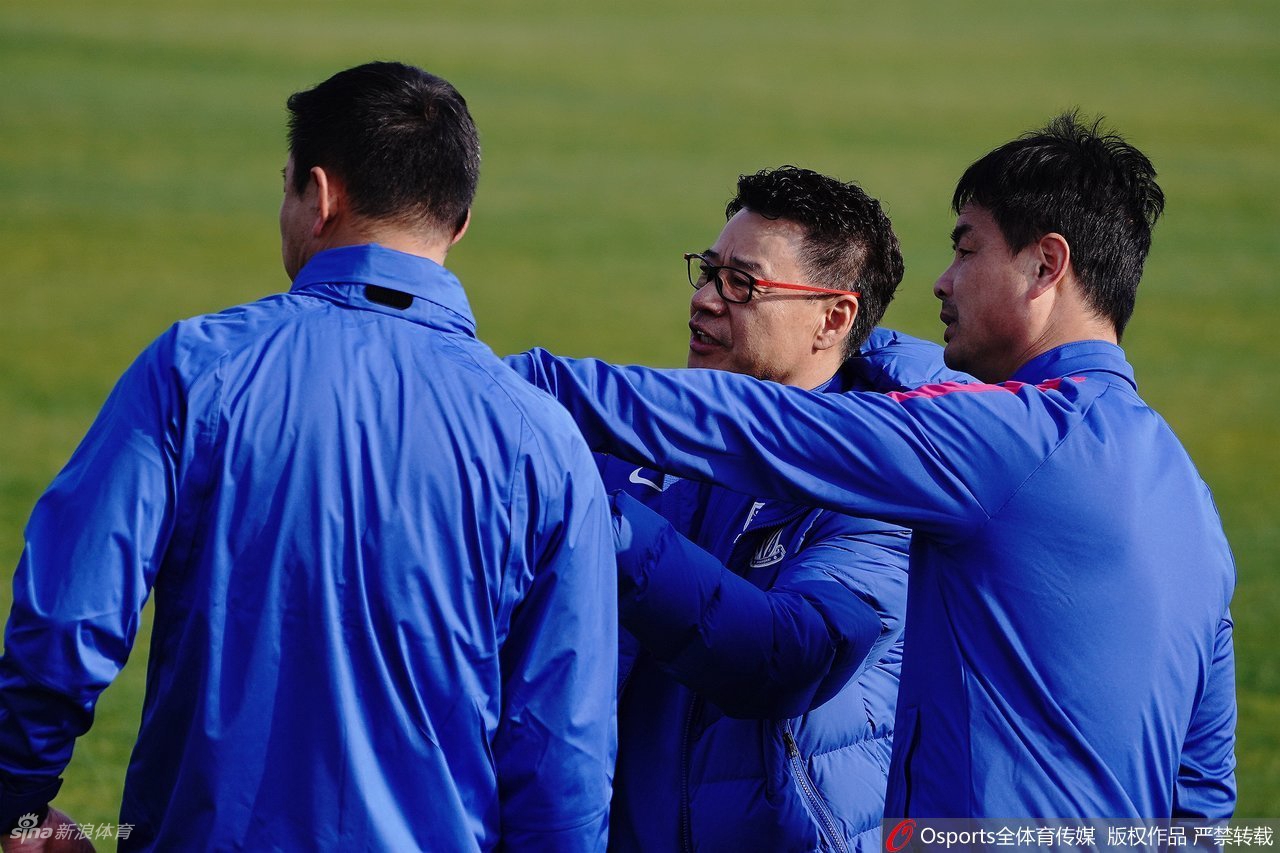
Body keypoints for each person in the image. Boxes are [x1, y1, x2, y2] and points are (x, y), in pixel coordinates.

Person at [508, 114, 1237, 820]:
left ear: (1046, 264)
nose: (943, 283)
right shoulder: (1192, 501)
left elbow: (760, 428)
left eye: (966, 250)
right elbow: (1201, 794)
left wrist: (510, 385)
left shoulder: (1007, 438)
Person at [0, 62, 617, 851]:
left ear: (319, 196)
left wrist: (15, 798)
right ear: (460, 222)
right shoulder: (546, 441)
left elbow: (66, 620)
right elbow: (564, 759)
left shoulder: (194, 369)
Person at [575, 167, 967, 851]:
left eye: (741, 284)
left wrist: (610, 533)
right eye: (708, 271)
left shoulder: (886, 488)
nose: (704, 299)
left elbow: (790, 655)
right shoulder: (644, 446)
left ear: (833, 318)